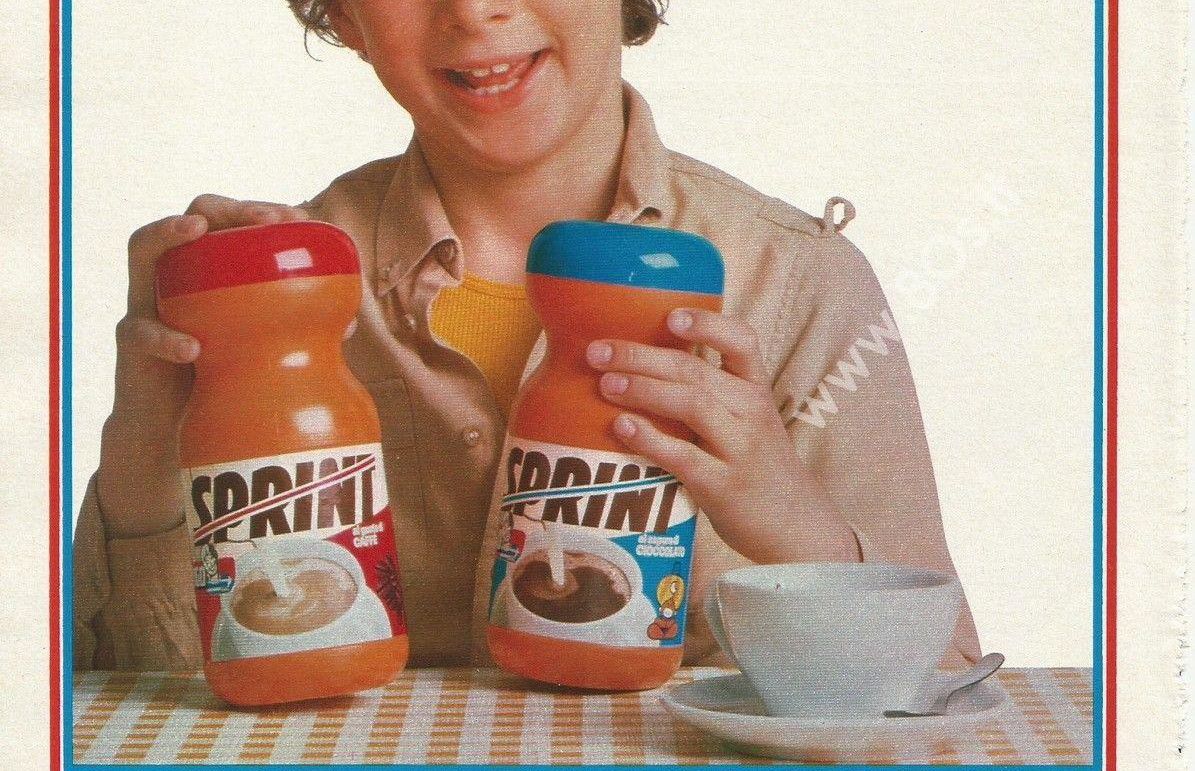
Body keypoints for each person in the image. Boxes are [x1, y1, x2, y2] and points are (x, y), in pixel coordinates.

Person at [73, 0, 981, 670]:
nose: (474, 10)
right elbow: (120, 701)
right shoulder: (275, 298)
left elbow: (942, 686)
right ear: (343, 15)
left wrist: (794, 523)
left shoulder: (795, 278)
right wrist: (145, 435)